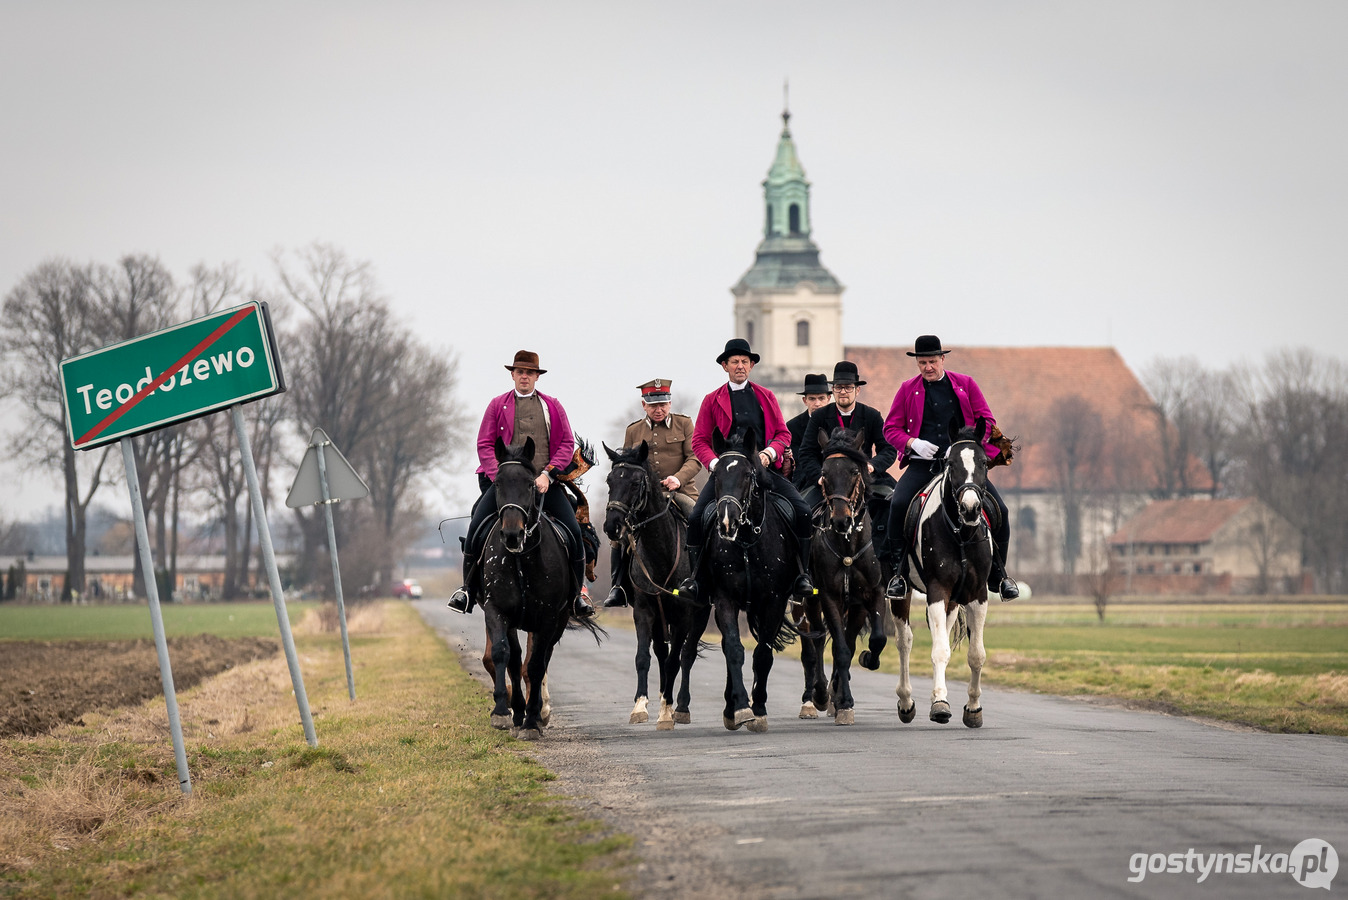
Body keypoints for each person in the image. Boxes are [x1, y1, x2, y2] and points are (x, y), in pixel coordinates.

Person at [449, 350, 596, 618]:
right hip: (506, 485)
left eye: (530, 372)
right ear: (513, 375)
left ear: (537, 377)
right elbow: (484, 443)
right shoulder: (496, 405)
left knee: (574, 532)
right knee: (475, 529)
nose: (525, 376)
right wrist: (498, 476)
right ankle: (467, 590)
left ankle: (576, 596)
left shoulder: (553, 406)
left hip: (543, 484)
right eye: (520, 372)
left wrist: (548, 474)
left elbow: (565, 444)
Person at [676, 338, 815, 603]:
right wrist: (714, 464)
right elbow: (699, 440)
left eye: (744, 362)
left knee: (803, 511)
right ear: (724, 366)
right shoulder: (711, 400)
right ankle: (695, 579)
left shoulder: (766, 396)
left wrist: (768, 453)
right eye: (734, 362)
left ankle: (802, 575)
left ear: (751, 366)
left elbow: (783, 433)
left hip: (762, 469)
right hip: (726, 473)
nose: (740, 366)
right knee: (696, 519)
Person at [882, 335, 1018, 601]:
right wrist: (913, 443)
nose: (927, 367)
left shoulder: (966, 384)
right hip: (924, 464)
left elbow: (987, 422)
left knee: (1000, 509)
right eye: (922, 362)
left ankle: (999, 575)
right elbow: (890, 429)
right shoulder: (907, 389)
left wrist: (963, 444)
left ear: (943, 359)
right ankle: (898, 574)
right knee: (897, 505)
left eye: (932, 361)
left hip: (961, 465)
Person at [604, 378, 702, 608]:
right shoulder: (633, 430)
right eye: (653, 405)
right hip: (643, 498)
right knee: (619, 533)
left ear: (669, 404)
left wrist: (678, 478)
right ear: (644, 405)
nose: (658, 410)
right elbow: (627, 465)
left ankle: (700, 582)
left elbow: (695, 457)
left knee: (700, 523)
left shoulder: (684, 424)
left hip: (679, 491)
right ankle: (618, 587)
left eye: (663, 404)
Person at [797, 360, 898, 536]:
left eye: (848, 387)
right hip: (827, 481)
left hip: (865, 479)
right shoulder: (819, 416)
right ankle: (803, 561)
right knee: (802, 512)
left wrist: (872, 466)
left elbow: (888, 449)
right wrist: (819, 476)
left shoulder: (872, 415)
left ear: (857, 390)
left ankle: (892, 556)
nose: (843, 391)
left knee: (894, 506)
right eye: (838, 387)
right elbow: (806, 452)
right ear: (833, 390)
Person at [785, 373, 831, 494]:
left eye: (821, 398)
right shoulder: (792, 426)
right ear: (805, 400)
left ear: (829, 399)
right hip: (805, 481)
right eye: (812, 399)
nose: (817, 403)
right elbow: (799, 459)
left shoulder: (837, 422)